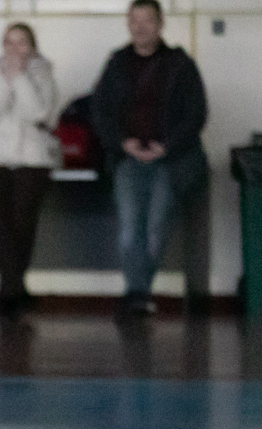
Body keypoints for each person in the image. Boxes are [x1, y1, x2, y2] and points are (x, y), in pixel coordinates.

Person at [91, 0, 208, 319]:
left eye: (147, 20)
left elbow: (196, 114)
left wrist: (167, 147)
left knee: (156, 226)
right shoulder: (116, 64)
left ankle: (137, 294)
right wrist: (121, 143)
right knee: (130, 228)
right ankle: (138, 294)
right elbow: (99, 111)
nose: (140, 27)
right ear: (128, 24)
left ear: (160, 24)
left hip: (169, 161)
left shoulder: (180, 65)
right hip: (128, 160)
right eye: (134, 20)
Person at [0, 22, 60, 317]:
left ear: (32, 47)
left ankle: (10, 289)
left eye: (21, 42)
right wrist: (4, 81)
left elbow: (38, 112)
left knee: (22, 224)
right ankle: (13, 290)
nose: (15, 49)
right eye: (9, 43)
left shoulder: (44, 74)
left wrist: (20, 77)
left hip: (32, 160)